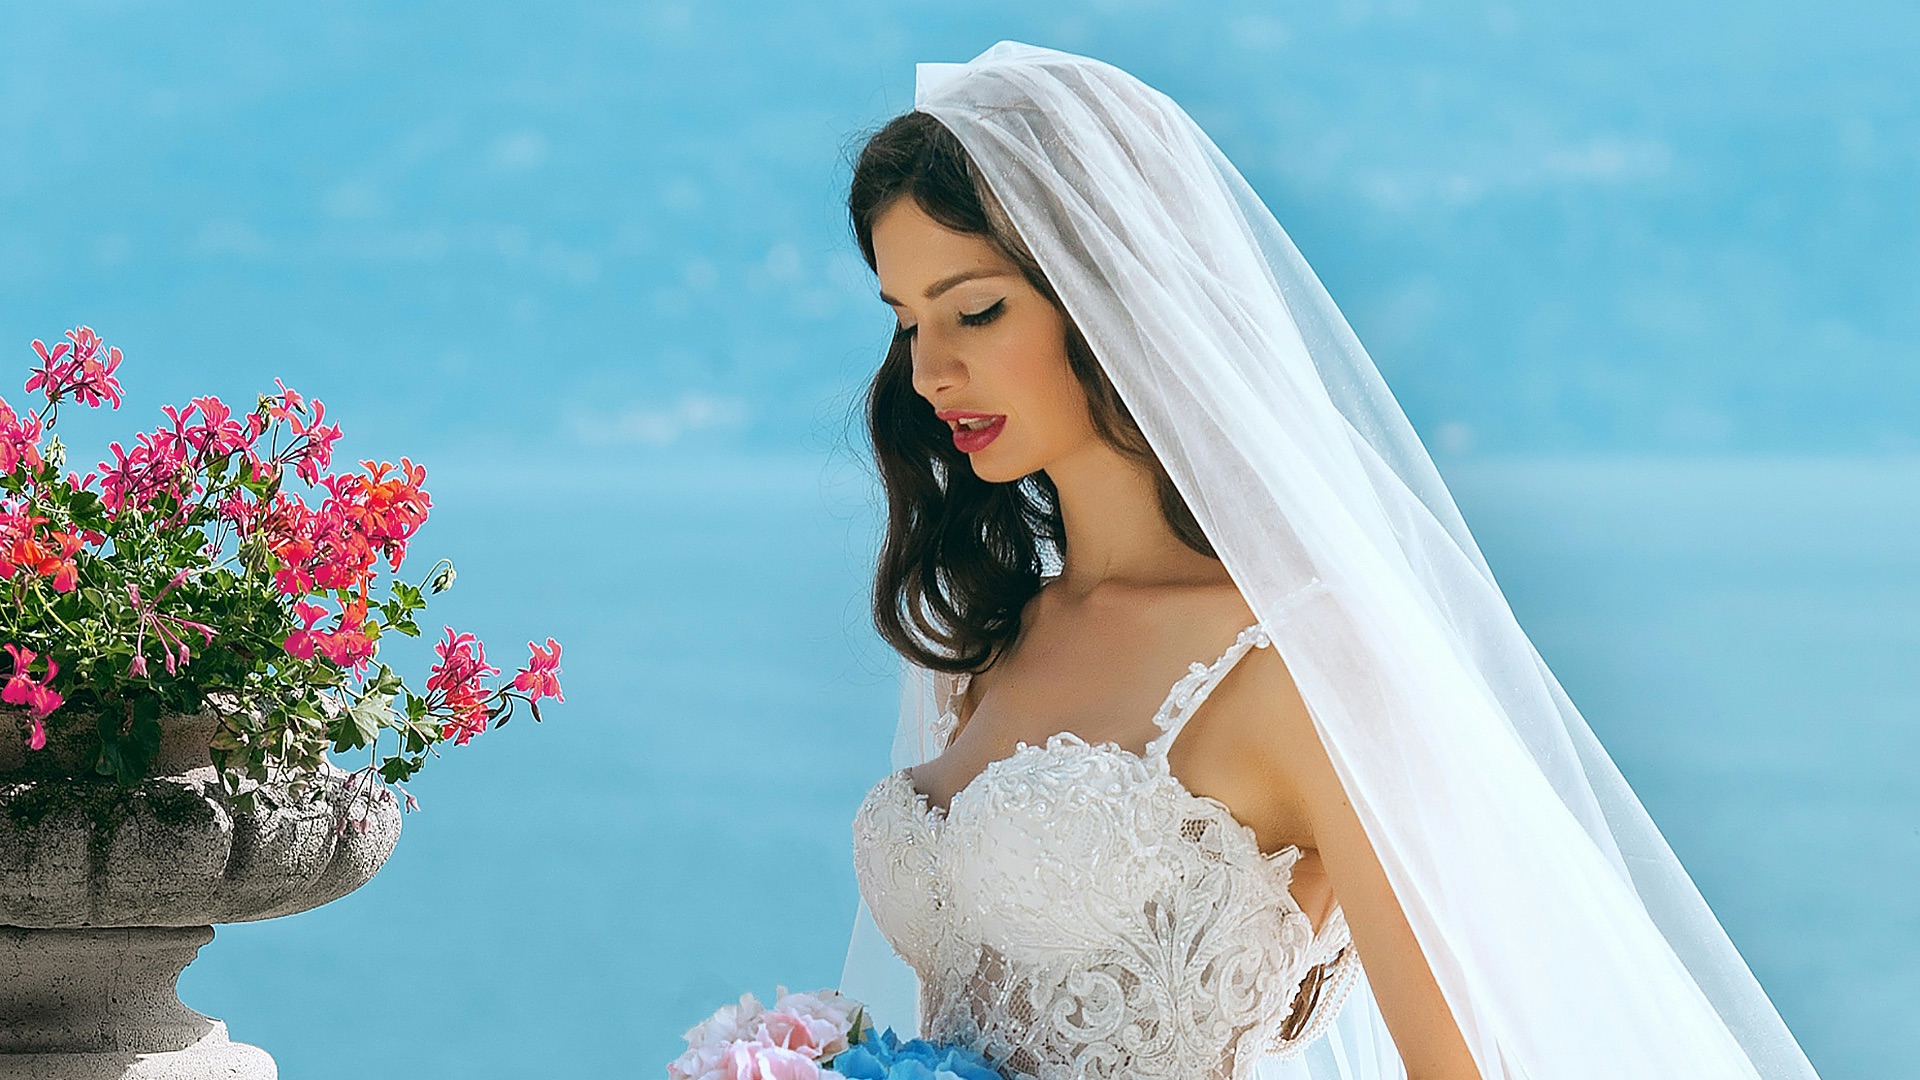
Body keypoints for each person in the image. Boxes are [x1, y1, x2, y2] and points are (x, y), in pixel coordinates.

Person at [840, 42, 1823, 1080]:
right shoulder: (988, 641)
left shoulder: (1301, 659)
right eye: (907, 324)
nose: (932, 371)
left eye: (976, 310)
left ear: (1108, 289)